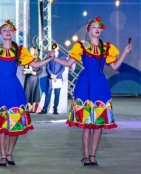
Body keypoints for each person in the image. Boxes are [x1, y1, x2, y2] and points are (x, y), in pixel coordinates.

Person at [0, 20, 54, 167]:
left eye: (9, 30)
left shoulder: (19, 51)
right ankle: (2, 156)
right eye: (5, 30)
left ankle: (10, 153)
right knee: (1, 125)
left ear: (12, 33)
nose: (7, 32)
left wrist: (49, 58)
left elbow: (35, 64)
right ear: (0, 34)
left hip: (14, 89)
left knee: (15, 124)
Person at [52, 17, 132, 166]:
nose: (97, 29)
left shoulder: (106, 48)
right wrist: (54, 58)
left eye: (99, 27)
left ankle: (93, 155)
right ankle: (86, 155)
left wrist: (125, 53)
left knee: (98, 123)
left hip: (100, 85)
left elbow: (115, 67)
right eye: (94, 27)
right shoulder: (82, 46)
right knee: (87, 123)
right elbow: (69, 63)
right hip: (85, 84)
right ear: (89, 31)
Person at [40, 45, 66, 115]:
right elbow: (47, 67)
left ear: (58, 48)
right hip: (50, 77)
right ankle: (45, 109)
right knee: (48, 94)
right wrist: (51, 75)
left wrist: (56, 75)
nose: (54, 48)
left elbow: (63, 68)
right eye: (53, 47)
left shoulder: (62, 56)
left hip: (58, 78)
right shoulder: (49, 55)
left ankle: (55, 109)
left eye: (55, 47)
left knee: (57, 94)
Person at [23, 46, 42, 113]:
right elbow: (25, 67)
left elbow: (41, 70)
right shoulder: (27, 58)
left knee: (35, 92)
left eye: (31, 50)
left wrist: (36, 73)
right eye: (30, 50)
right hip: (28, 78)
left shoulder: (38, 59)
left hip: (34, 79)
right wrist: (24, 71)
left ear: (34, 51)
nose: (30, 51)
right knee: (27, 92)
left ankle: (33, 107)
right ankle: (29, 106)